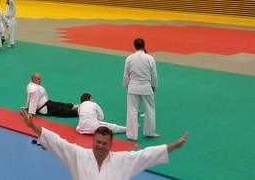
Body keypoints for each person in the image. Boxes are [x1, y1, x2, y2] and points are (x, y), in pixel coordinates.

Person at [19, 109, 187, 180]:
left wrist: (173, 146)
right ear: (93, 141)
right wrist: (32, 125)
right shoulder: (78, 154)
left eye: (104, 143)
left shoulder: (122, 160)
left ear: (111, 144)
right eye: (98, 142)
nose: (100, 145)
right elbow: (56, 141)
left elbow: (146, 155)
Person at [123, 38, 159, 141]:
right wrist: (153, 86)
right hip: (146, 87)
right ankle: (149, 132)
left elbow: (126, 74)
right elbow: (154, 74)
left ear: (134, 46)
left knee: (132, 111)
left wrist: (127, 85)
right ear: (144, 45)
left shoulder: (129, 58)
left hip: (133, 87)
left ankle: (131, 135)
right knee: (149, 109)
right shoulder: (150, 58)